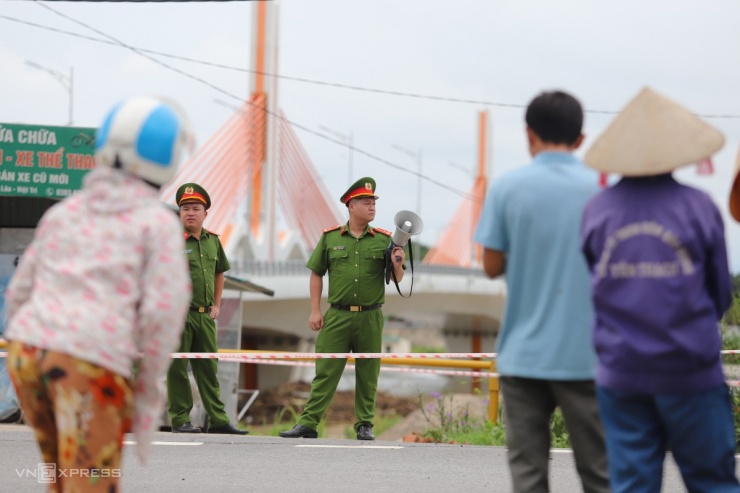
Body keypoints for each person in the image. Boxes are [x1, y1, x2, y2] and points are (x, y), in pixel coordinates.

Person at [4, 96, 193, 491]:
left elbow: (19, 291)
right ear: (166, 159)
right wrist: (147, 390)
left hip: (27, 354)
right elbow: (163, 311)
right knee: (90, 484)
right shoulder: (156, 224)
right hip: (89, 362)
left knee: (61, 479)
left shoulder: (65, 212)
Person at [581, 87, 740, 493]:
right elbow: (720, 293)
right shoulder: (699, 206)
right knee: (712, 481)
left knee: (633, 484)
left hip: (621, 373)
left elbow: (595, 286)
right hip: (689, 370)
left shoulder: (598, 210)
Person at [474, 91, 610, 493]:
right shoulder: (602, 190)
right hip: (586, 357)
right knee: (601, 475)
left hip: (523, 357)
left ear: (528, 135)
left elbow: (491, 265)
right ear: (581, 139)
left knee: (529, 476)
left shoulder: (506, 188)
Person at [279, 177, 405, 440]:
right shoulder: (330, 238)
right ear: (351, 205)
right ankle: (309, 423)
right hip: (337, 315)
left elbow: (397, 280)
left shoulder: (384, 241)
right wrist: (315, 310)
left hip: (370, 316)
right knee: (325, 371)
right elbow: (316, 274)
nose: (372, 207)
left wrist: (397, 263)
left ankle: (364, 425)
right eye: (366, 202)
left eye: (373, 203)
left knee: (368, 373)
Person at [166, 182, 247, 435]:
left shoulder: (213, 241)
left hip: (204, 317)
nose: (190, 212)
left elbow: (219, 272)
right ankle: (180, 419)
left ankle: (218, 419)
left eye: (196, 208)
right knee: (177, 369)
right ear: (179, 213)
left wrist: (217, 304)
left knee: (208, 368)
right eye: (185, 208)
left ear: (205, 213)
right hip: (178, 316)